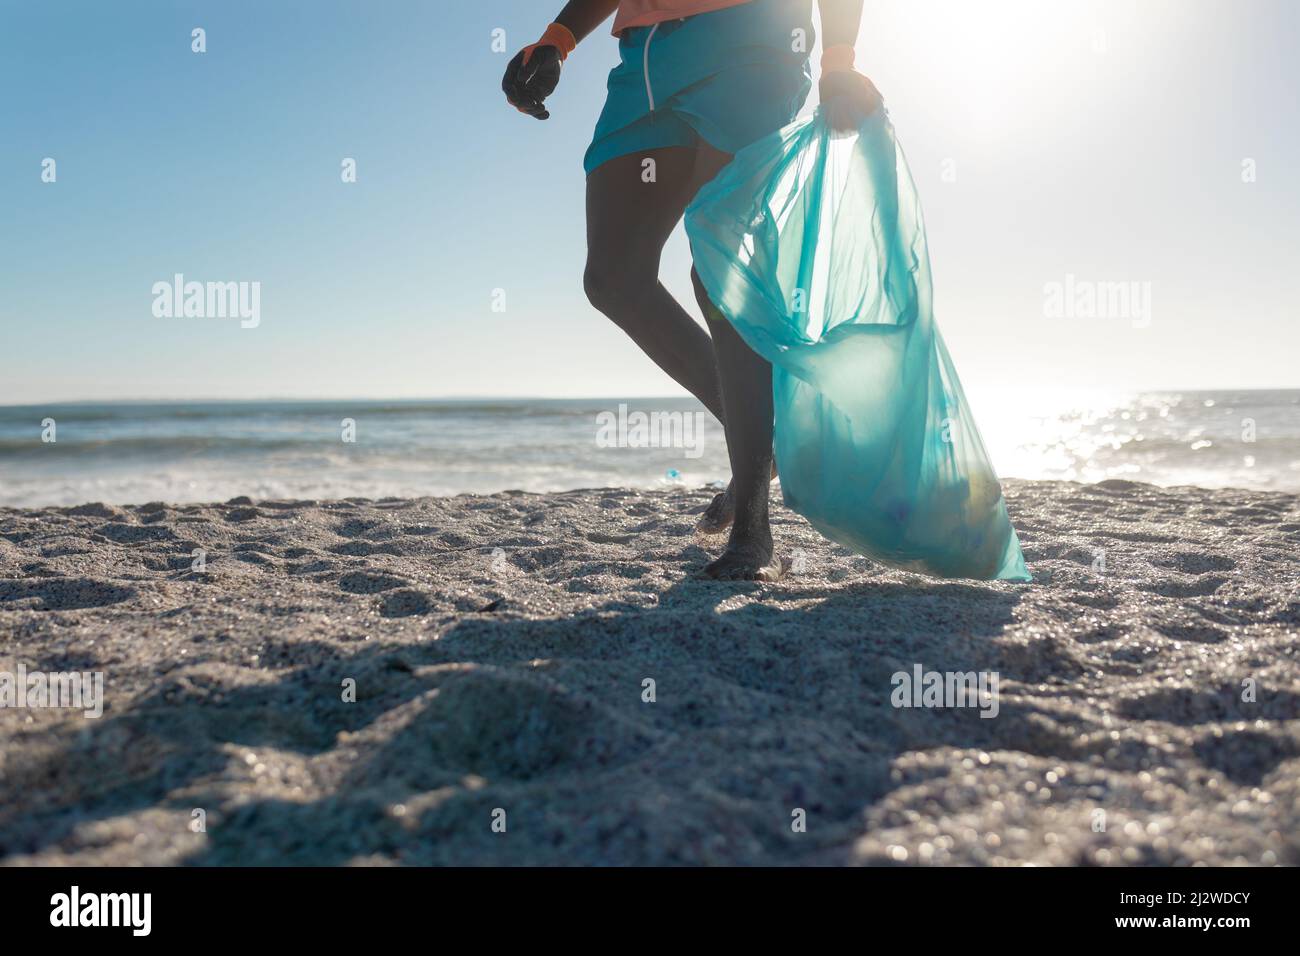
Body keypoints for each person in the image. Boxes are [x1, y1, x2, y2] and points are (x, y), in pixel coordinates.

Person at [503, 0, 880, 580]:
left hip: (753, 42)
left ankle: (753, 533)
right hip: (645, 62)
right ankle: (765, 442)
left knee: (720, 274)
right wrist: (558, 37)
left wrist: (837, 59)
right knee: (613, 277)